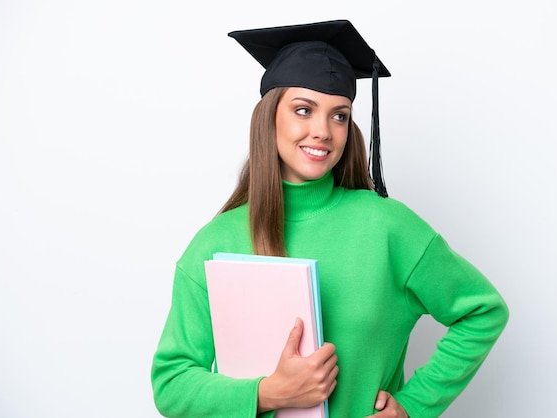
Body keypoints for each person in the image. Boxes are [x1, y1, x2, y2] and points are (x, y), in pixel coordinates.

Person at [151, 19, 509, 418]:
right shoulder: (217, 242)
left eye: (339, 115)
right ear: (269, 117)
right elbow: (172, 383)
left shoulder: (387, 227)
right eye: (303, 110)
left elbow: (482, 311)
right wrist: (269, 393)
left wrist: (412, 406)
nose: (322, 130)